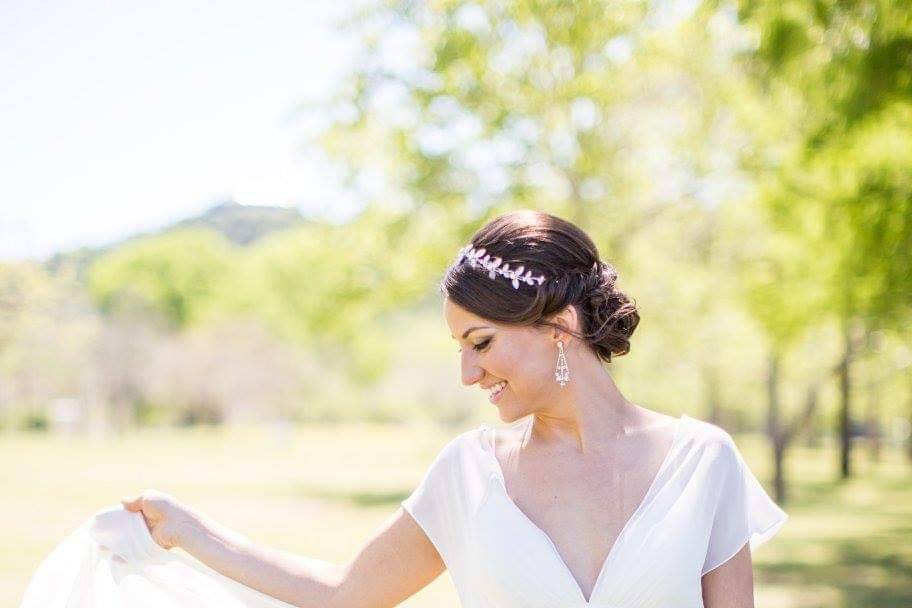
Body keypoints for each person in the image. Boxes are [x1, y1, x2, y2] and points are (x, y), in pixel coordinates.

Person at [25, 210, 788, 608]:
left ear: (558, 324)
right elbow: (343, 595)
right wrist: (187, 529)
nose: (467, 372)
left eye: (480, 341)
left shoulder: (704, 463)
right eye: (458, 347)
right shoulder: (468, 476)